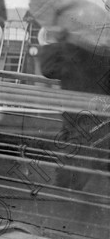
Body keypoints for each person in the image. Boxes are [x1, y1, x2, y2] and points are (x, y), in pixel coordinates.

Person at [40, 39, 110, 190]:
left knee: (68, 180)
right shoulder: (105, 50)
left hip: (74, 122)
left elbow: (47, 70)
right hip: (99, 122)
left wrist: (57, 40)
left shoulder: (69, 48)